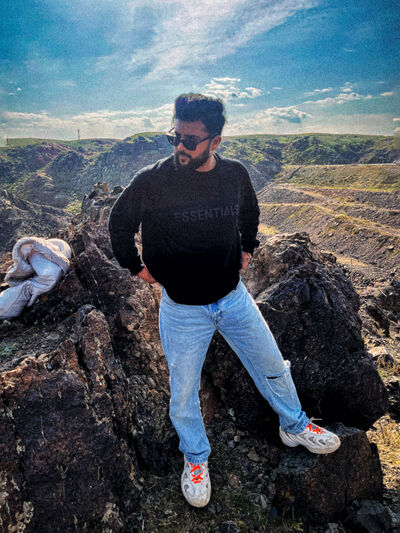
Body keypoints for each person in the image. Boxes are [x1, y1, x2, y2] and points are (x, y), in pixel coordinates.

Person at [108, 93, 341, 509]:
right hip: (182, 309)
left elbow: (250, 211)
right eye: (175, 137)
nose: (180, 147)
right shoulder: (153, 180)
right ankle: (196, 457)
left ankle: (294, 425)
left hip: (233, 299)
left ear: (215, 141)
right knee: (183, 392)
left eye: (190, 140)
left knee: (272, 364)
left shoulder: (234, 174)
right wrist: (137, 268)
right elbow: (118, 223)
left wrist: (247, 247)